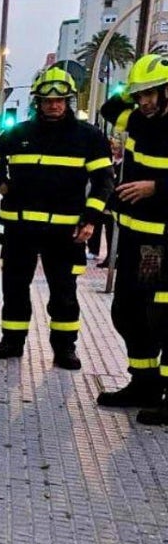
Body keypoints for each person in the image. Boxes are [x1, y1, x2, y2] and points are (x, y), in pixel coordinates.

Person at [0, 66, 114, 369]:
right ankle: (12, 341)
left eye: (61, 100)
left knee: (63, 292)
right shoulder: (19, 133)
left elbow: (104, 181)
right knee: (14, 286)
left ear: (68, 101)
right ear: (37, 101)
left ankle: (65, 349)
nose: (54, 105)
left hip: (65, 232)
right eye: (48, 100)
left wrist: (90, 218)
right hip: (19, 228)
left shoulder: (88, 137)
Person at [97, 53, 168, 419]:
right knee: (128, 312)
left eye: (153, 93)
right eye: (141, 95)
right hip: (138, 240)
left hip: (163, 241)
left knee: (163, 317)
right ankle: (144, 382)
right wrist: (133, 86)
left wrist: (156, 188)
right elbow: (111, 107)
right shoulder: (138, 120)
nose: (145, 101)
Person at [87, 135, 121, 267]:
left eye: (116, 148)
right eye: (112, 148)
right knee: (100, 228)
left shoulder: (123, 164)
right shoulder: (108, 161)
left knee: (112, 232)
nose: (114, 150)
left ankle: (112, 257)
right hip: (102, 203)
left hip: (113, 204)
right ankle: (96, 251)